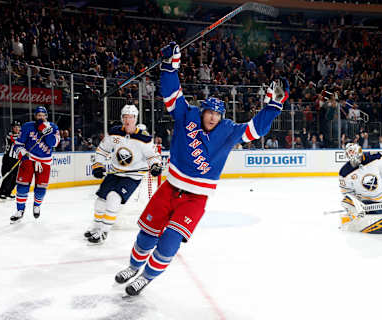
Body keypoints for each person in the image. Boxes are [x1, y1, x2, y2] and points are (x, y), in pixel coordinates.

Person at [114, 41, 289, 297]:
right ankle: (133, 266)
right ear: (203, 110)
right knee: (146, 236)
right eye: (210, 112)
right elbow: (172, 94)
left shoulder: (228, 131)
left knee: (170, 241)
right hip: (170, 188)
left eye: (218, 115)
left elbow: (255, 129)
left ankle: (146, 278)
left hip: (195, 198)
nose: (213, 118)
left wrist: (273, 106)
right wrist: (170, 66)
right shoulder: (188, 116)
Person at [84, 105, 162, 244]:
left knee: (114, 197)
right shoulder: (114, 133)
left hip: (133, 176)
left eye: (131, 117)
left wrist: (156, 165)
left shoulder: (144, 138)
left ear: (135, 119)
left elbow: (153, 156)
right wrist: (98, 165)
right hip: (115, 172)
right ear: (121, 118)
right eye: (125, 117)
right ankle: (96, 227)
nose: (128, 120)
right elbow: (102, 150)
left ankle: (104, 232)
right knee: (100, 199)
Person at [338, 143, 382, 233]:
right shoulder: (344, 173)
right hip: (367, 205)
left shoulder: (375, 157)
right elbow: (347, 194)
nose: (355, 161)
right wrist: (355, 206)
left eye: (357, 157)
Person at [10, 106, 60, 223]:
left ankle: (37, 206)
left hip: (45, 161)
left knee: (41, 189)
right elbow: (18, 144)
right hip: (29, 159)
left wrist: (45, 131)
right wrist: (22, 153)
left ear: (46, 116)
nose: (41, 118)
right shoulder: (28, 126)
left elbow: (53, 143)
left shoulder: (53, 127)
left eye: (43, 116)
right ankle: (20, 211)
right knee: (22, 186)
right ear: (35, 116)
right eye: (39, 115)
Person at [0, 121, 21, 201]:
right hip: (8, 158)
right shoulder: (9, 136)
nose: (16, 128)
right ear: (12, 128)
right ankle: (2, 193)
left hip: (17, 159)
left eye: (18, 127)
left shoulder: (20, 136)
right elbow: (13, 140)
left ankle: (8, 192)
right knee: (8, 176)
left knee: (15, 177)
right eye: (15, 127)